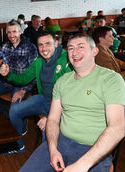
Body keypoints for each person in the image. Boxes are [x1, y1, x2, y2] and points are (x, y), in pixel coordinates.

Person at [19, 33, 125, 172]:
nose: (75, 52)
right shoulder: (62, 81)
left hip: (95, 148)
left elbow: (118, 127)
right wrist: (53, 150)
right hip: (61, 141)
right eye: (70, 48)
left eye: (81, 47)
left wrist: (82, 165)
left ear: (94, 51)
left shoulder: (111, 79)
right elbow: (53, 119)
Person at [0, 31, 73, 152]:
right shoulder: (39, 61)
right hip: (44, 99)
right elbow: (23, 79)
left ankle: (47, 160)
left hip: (62, 105)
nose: (44, 48)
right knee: (14, 111)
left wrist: (49, 118)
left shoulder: (67, 60)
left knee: (47, 131)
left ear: (56, 43)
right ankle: (19, 146)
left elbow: (70, 97)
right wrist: (8, 74)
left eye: (48, 44)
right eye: (40, 45)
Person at [0, 19, 38, 153]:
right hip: (7, 82)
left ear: (21, 31)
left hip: (22, 84)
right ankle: (13, 118)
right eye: (9, 32)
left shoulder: (30, 48)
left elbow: (35, 74)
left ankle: (19, 146)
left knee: (14, 111)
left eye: (15, 32)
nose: (12, 35)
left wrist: (24, 90)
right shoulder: (6, 46)